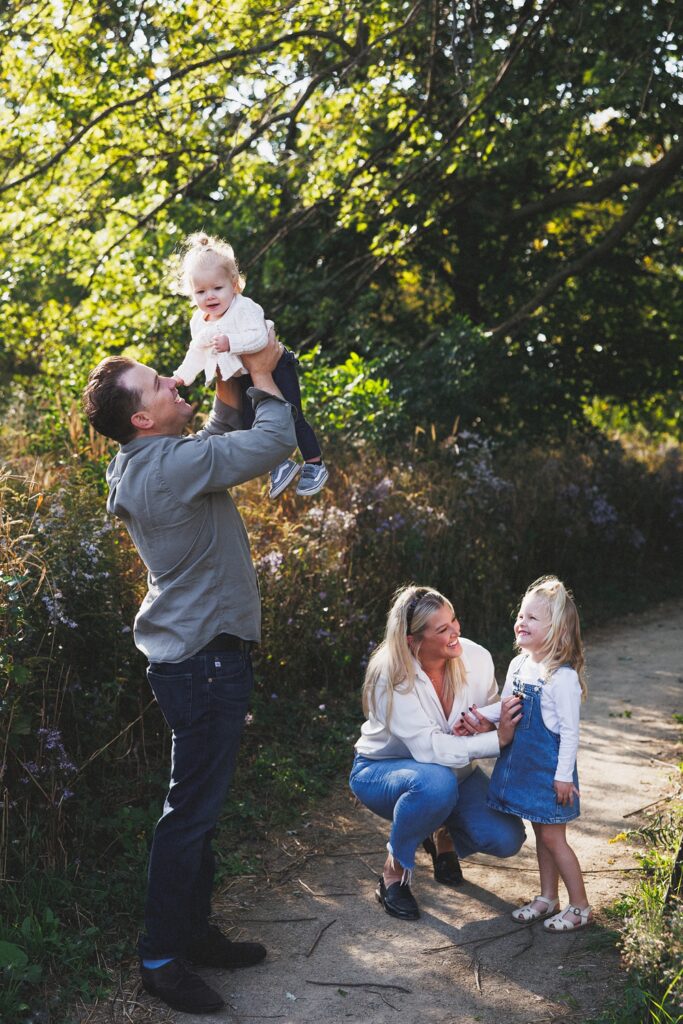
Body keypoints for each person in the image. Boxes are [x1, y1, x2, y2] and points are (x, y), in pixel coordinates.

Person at [83, 334, 297, 1015]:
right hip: (204, 663)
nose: (174, 381)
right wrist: (264, 376)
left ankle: (193, 934)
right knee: (188, 816)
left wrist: (224, 380)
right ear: (141, 418)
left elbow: (213, 437)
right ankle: (160, 959)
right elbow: (266, 445)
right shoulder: (170, 466)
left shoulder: (148, 461)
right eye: (158, 384)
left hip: (196, 660)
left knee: (196, 813)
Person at [349, 585, 526, 921]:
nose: (455, 632)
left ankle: (438, 831)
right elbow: (429, 749)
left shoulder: (477, 657)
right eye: (442, 629)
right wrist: (496, 740)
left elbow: (492, 713)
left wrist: (486, 726)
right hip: (381, 772)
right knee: (435, 783)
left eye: (454, 621)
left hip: (455, 775)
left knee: (506, 838)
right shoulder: (392, 675)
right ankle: (393, 873)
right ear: (412, 641)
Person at [472, 576, 592, 931]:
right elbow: (506, 706)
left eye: (532, 618)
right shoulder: (520, 664)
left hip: (550, 773)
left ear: (556, 630)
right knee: (542, 836)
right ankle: (547, 897)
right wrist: (480, 715)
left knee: (555, 839)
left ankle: (580, 906)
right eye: (521, 615)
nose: (521, 622)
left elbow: (570, 732)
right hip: (524, 767)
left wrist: (563, 777)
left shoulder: (562, 677)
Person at [172, 231, 328, 498]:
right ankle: (279, 464)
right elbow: (197, 350)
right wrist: (182, 377)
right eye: (200, 291)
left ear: (234, 285)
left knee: (290, 414)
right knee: (250, 422)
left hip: (275, 366)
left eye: (217, 288)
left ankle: (314, 464)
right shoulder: (199, 321)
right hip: (241, 375)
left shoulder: (244, 308)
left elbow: (259, 338)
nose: (209, 296)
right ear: (191, 293)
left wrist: (231, 343)